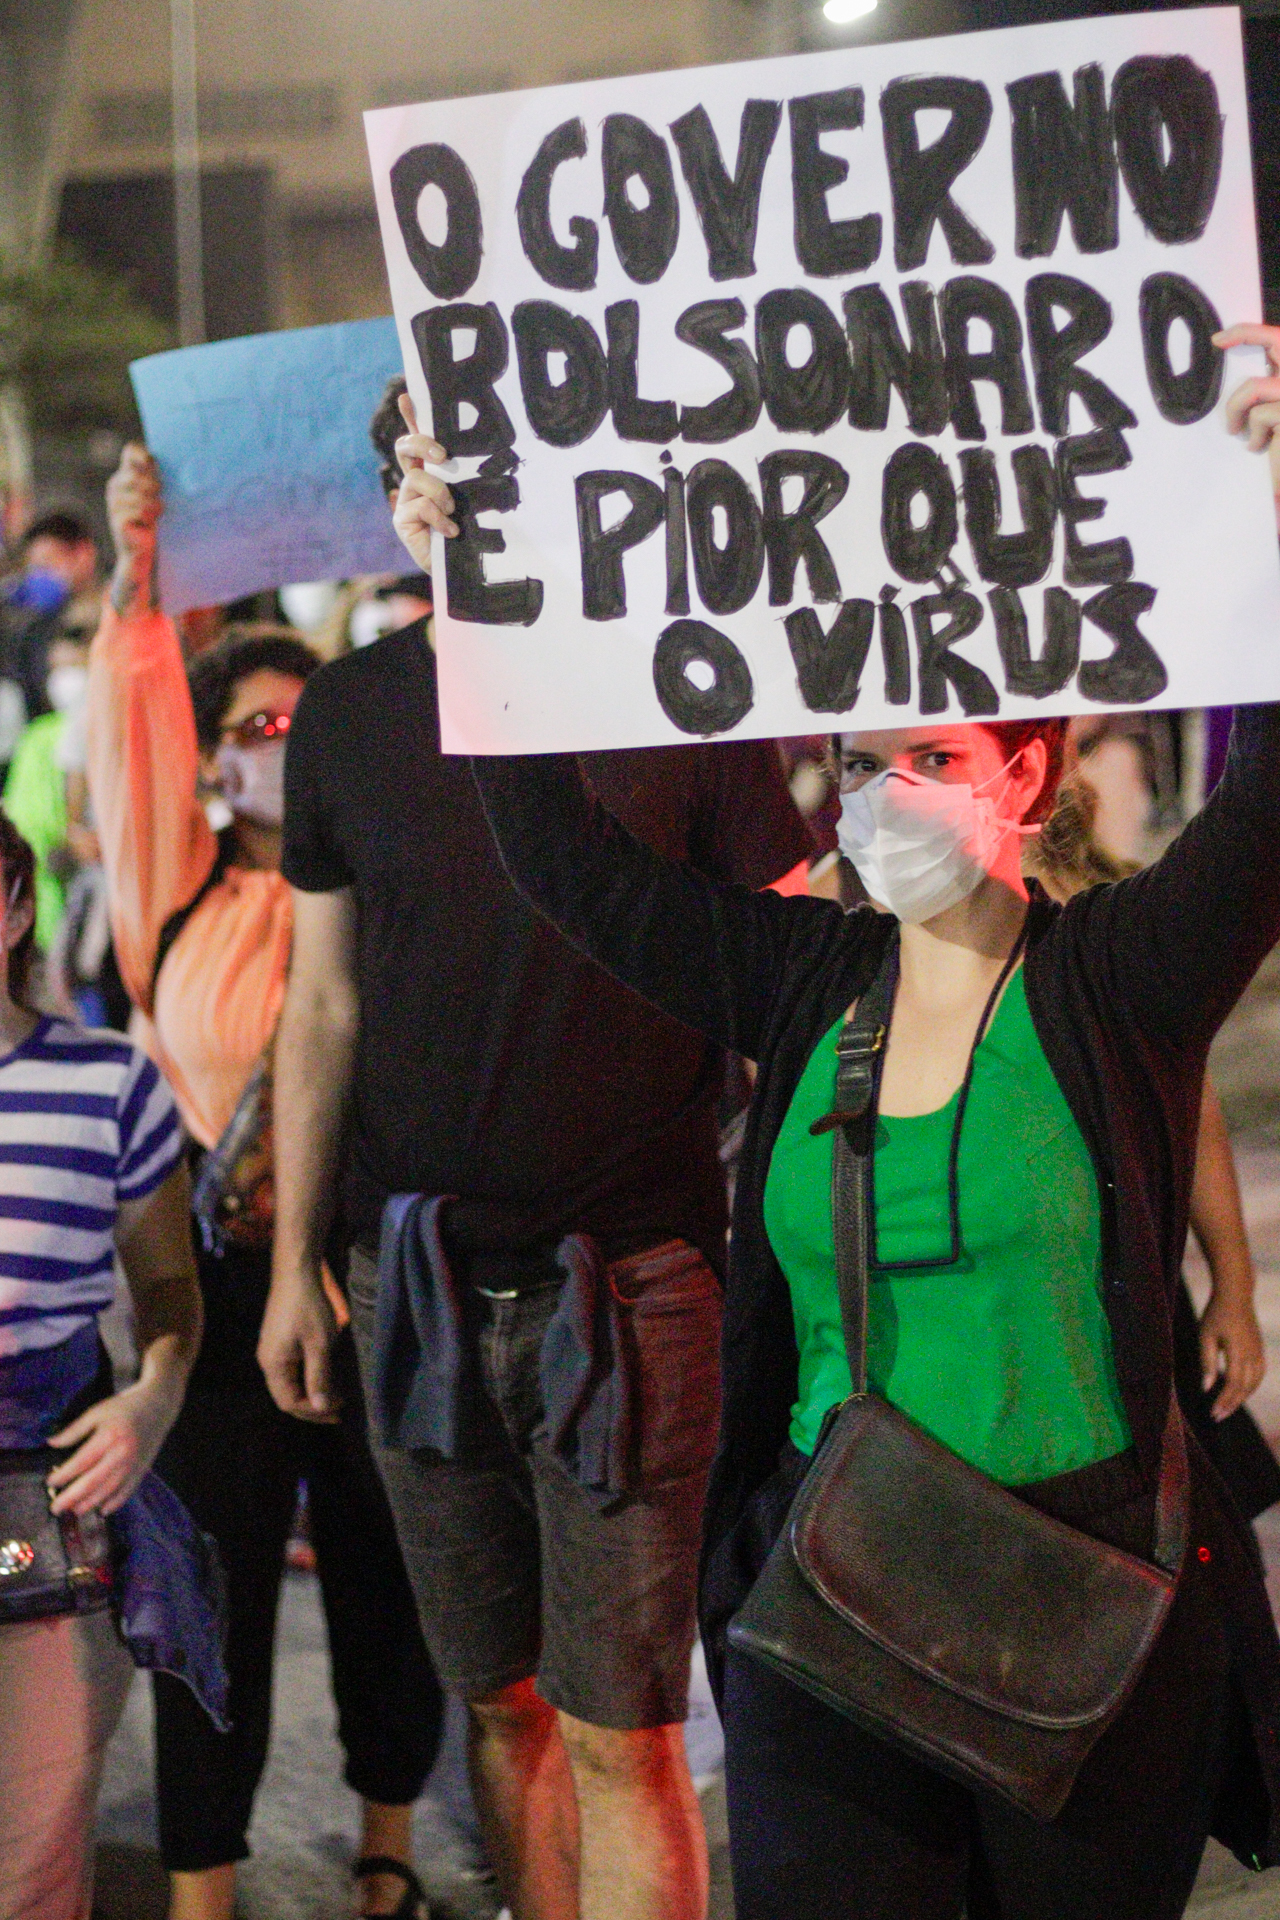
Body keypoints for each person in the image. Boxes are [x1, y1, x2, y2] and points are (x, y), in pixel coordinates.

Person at [388, 331, 1280, 1919]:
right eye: (855, 764)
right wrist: (477, 594)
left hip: (1080, 1604)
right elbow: (564, 864)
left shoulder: (1118, 981)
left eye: (928, 758)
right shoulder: (802, 975)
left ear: (1025, 770)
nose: (878, 798)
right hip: (833, 1596)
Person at [256, 375, 812, 1920]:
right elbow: (322, 1003)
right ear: (396, 497)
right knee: (498, 1701)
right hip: (417, 1288)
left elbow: (804, 969)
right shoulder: (353, 712)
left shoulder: (666, 683)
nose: (465, 485)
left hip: (634, 1284)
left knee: (625, 1728)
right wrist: (297, 1266)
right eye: (431, 461)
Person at [86, 447, 442, 1920]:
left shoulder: (392, 877)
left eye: (306, 719)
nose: (280, 743)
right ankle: (201, 1883)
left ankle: (388, 1844)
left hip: (375, 1277)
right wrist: (138, 561)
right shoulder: (174, 889)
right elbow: (130, 717)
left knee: (390, 1582)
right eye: (254, 723)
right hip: (215, 1296)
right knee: (207, 1597)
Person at [0, 809, 201, 1920]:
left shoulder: (108, 1082)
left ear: (19, 908)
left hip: (48, 1493)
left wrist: (153, 1399)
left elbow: (169, 1289)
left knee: (34, 1836)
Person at [1029, 770, 1280, 1522]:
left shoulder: (1113, 935)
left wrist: (1233, 1286)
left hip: (1128, 1298)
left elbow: (1193, 1106)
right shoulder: (877, 940)